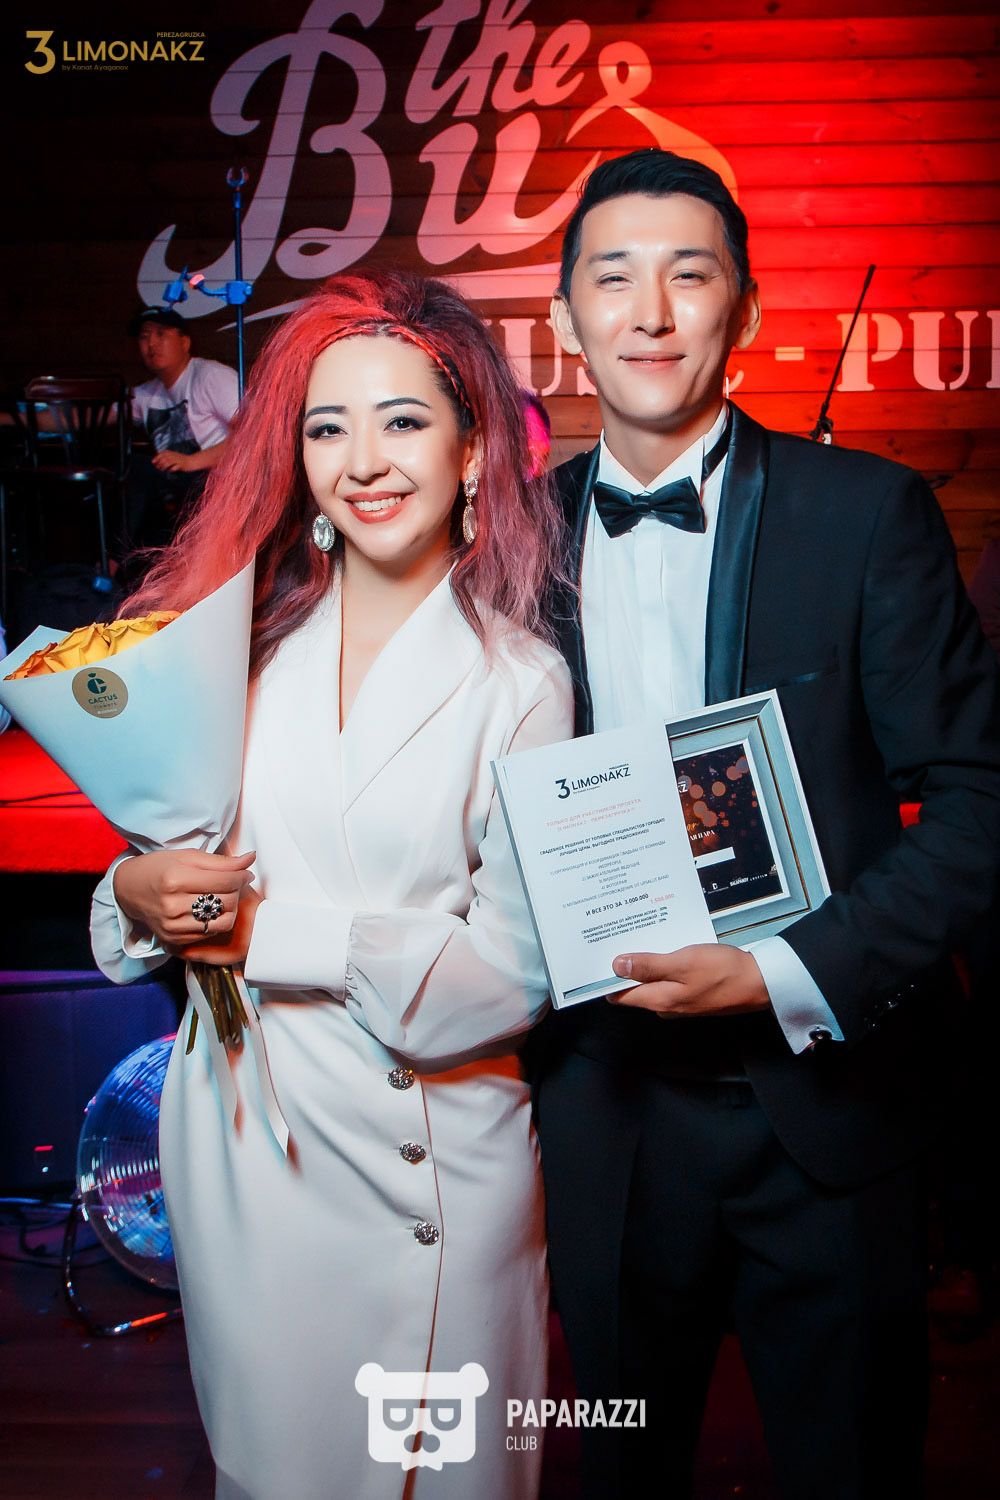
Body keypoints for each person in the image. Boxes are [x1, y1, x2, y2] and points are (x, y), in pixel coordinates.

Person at [530, 147, 1000, 1499]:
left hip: (831, 1104)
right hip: (608, 1111)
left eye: (689, 276)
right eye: (613, 279)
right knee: (621, 1472)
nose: (650, 313)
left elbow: (978, 799)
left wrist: (783, 969)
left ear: (742, 307)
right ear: (565, 318)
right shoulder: (509, 538)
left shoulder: (867, 515)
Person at [90, 270, 573, 1500]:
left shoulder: (521, 682)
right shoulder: (236, 650)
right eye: (326, 427)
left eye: (403, 420)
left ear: (474, 451)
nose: (363, 461)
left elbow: (505, 983)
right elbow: (157, 870)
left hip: (436, 1166)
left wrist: (259, 932)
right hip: (252, 1159)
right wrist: (137, 895)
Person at [123, 306, 239, 552]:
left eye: (161, 334)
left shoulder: (210, 376)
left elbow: (255, 431)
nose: (151, 343)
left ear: (185, 342)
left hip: (225, 483)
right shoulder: (148, 394)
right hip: (179, 489)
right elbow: (86, 415)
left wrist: (191, 461)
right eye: (144, 337)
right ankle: (116, 563)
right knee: (135, 470)